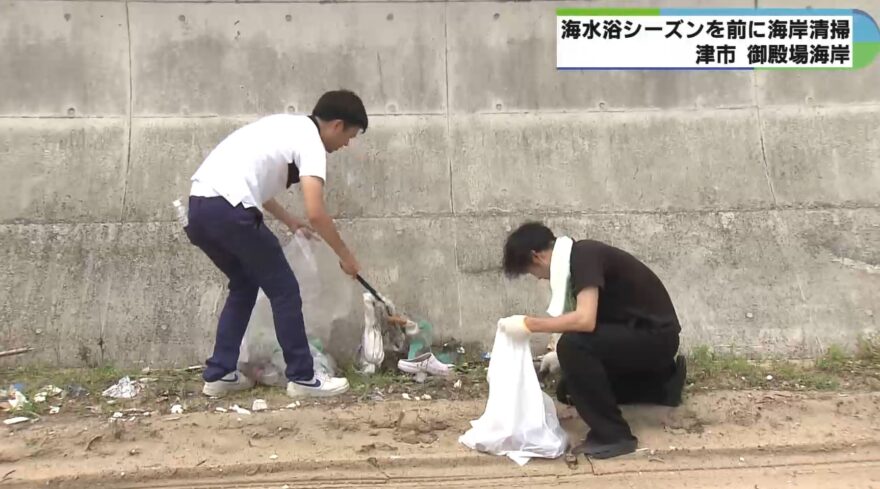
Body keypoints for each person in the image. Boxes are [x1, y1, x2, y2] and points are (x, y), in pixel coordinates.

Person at [183, 89, 367, 399]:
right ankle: (304, 378)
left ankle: (219, 374)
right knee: (284, 290)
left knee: (244, 283)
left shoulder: (281, 128)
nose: (346, 144)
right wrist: (346, 256)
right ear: (336, 125)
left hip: (200, 208)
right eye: (349, 136)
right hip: (231, 209)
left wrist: (289, 220)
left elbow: (252, 182)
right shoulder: (311, 141)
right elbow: (317, 212)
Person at [497, 221, 687, 459]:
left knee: (572, 346)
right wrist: (559, 358)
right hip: (639, 336)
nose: (538, 279)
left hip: (656, 338)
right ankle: (659, 388)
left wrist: (528, 324)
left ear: (537, 257)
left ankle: (614, 436)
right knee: (569, 389)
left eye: (530, 273)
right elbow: (593, 323)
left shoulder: (583, 257)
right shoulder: (577, 258)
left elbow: (585, 320)